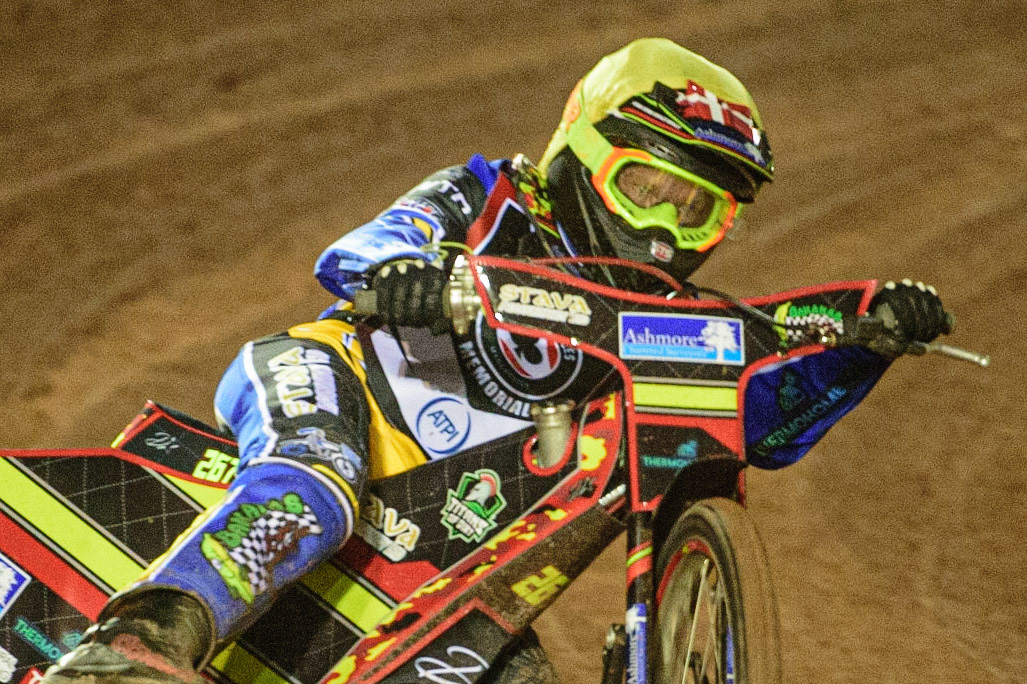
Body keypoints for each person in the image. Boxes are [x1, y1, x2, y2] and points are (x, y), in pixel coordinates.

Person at [41, 37, 948, 684]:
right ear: (582, 148)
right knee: (312, 484)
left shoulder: (669, 325)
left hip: (448, 553)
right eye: (647, 186)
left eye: (698, 208)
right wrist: (399, 271)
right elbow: (370, 244)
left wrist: (858, 356)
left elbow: (757, 425)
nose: (665, 227)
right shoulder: (491, 197)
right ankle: (130, 651)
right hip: (340, 385)